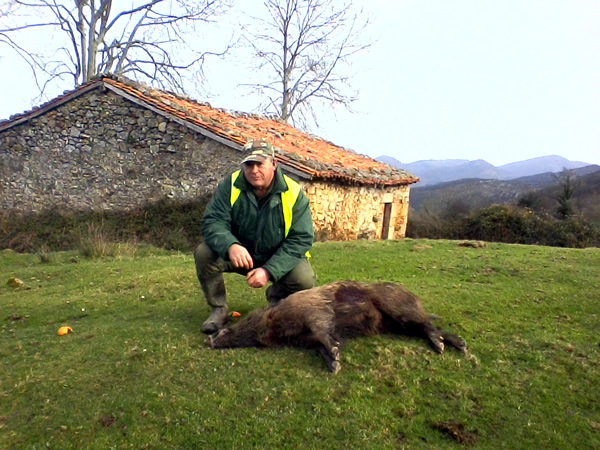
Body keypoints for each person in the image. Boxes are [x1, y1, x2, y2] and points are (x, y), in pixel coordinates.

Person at [195, 139, 316, 334]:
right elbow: (213, 220)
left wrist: (268, 270)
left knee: (304, 280)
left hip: (275, 256)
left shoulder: (293, 193)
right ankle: (219, 309)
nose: (254, 170)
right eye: (249, 165)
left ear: (274, 164)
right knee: (204, 254)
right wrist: (230, 246)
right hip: (240, 253)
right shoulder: (231, 185)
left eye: (260, 164)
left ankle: (276, 297)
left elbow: (301, 239)